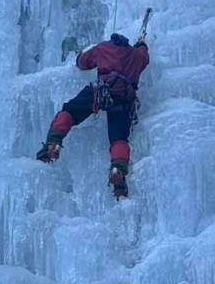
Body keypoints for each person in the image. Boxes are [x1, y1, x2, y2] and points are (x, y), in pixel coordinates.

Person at [36, 31, 149, 199]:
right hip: (124, 99)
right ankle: (118, 170)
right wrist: (141, 44)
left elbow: (83, 62)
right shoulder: (136, 55)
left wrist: (80, 56)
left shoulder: (103, 47)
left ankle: (53, 143)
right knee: (119, 138)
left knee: (71, 111)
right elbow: (144, 56)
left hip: (101, 91)